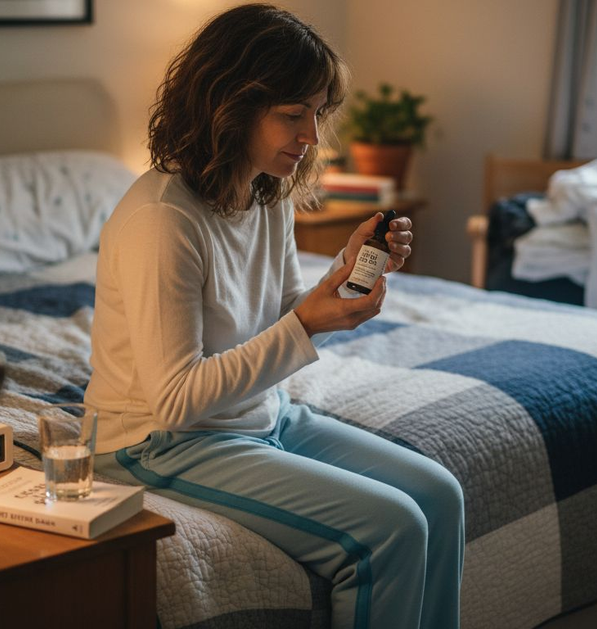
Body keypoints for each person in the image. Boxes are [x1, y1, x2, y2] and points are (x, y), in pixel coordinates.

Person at [86, 5, 464, 628]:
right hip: (157, 443)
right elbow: (176, 400)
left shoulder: (266, 193)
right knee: (390, 529)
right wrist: (308, 326)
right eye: (293, 115)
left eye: (316, 113)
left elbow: (282, 311)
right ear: (228, 105)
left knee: (439, 497)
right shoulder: (163, 220)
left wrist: (341, 277)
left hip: (259, 416)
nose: (312, 136)